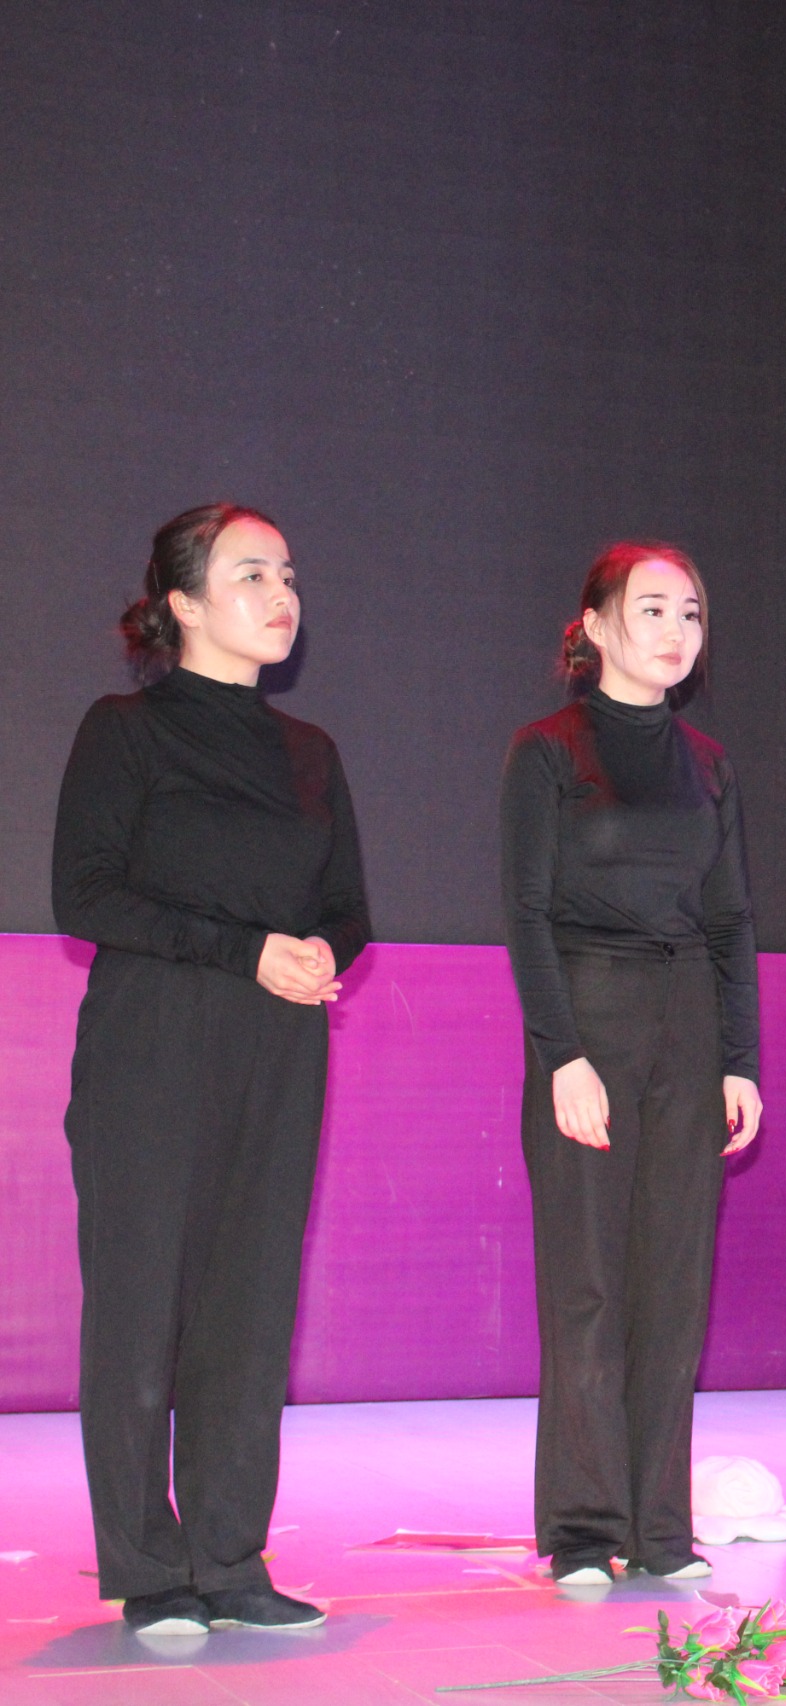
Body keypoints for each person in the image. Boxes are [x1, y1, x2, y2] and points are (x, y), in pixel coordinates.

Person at [52, 504, 368, 1635]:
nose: (282, 595)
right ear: (182, 603)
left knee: (250, 1303)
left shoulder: (311, 753)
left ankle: (230, 1555)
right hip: (154, 1042)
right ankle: (151, 1566)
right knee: (141, 1306)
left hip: (278, 1047)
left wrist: (323, 949)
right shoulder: (125, 731)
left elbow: (347, 905)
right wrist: (246, 951)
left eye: (288, 574)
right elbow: (84, 892)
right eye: (251, 574)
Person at [500, 541, 763, 1586]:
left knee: (672, 1284)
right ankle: (580, 1526)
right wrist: (561, 1054)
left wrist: (739, 1058)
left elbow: (731, 918)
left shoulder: (710, 763)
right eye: (651, 608)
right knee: (589, 1284)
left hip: (688, 1026)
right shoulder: (547, 751)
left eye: (690, 613)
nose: (675, 630)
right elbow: (525, 913)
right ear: (598, 624)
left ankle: (658, 1526)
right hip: (590, 1018)